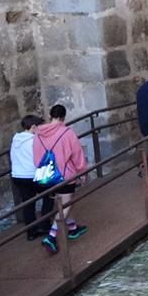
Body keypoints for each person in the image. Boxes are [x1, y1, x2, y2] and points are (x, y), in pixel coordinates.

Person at [33, 104, 89, 252]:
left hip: (47, 175)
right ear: (64, 117)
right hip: (65, 175)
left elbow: (36, 156)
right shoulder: (67, 133)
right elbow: (77, 155)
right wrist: (82, 172)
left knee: (65, 202)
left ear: (50, 116)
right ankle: (51, 236)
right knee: (65, 204)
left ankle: (73, 228)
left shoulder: (38, 134)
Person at [9, 114, 46, 240]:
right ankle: (45, 224)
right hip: (31, 175)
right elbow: (39, 158)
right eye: (39, 127)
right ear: (34, 127)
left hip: (18, 176)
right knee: (50, 194)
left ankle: (31, 232)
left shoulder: (16, 139)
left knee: (28, 203)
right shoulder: (34, 140)